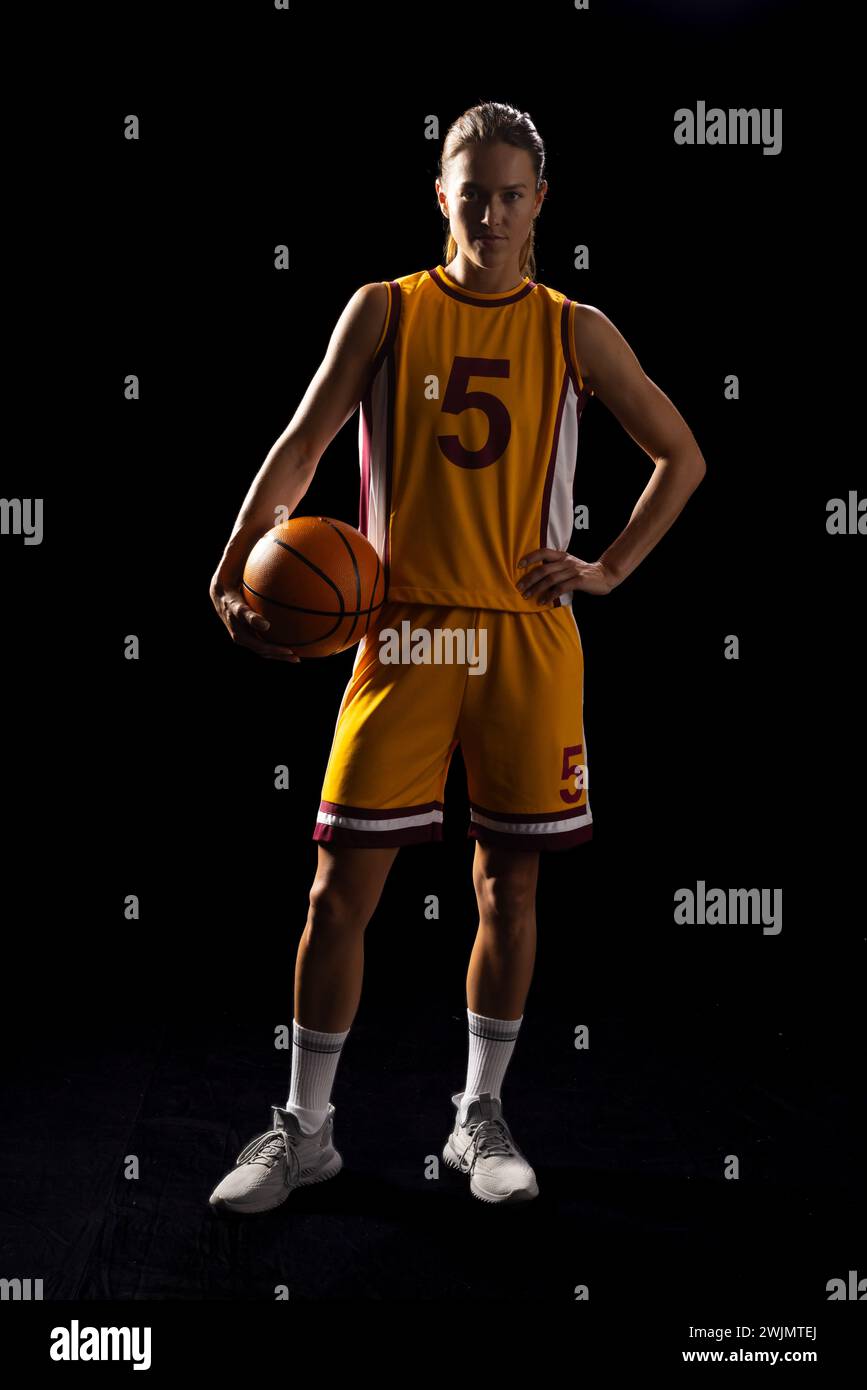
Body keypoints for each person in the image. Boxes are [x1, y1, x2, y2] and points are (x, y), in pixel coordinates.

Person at [207, 100, 706, 1213]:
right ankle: (306, 1129)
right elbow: (303, 444)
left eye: (510, 192)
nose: (489, 210)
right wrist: (234, 557)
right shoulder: (385, 310)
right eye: (468, 190)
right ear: (441, 195)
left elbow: (681, 453)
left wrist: (608, 566)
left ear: (540, 203)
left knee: (508, 888)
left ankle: (478, 1118)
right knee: (337, 890)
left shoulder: (575, 327)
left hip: (527, 635)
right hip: (404, 630)